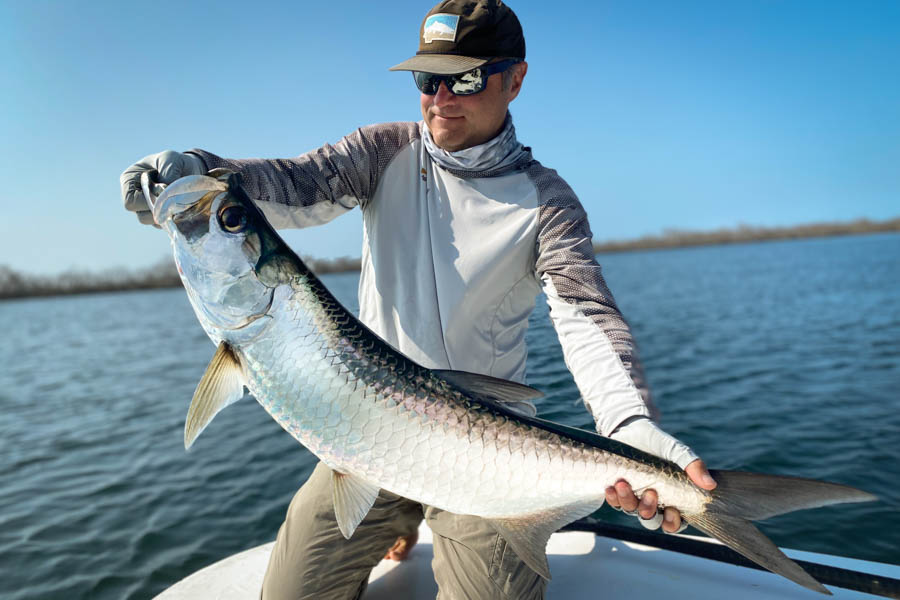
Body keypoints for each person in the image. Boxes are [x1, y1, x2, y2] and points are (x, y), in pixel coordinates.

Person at [121, 1, 716, 598]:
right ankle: (397, 515)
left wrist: (629, 425)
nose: (440, 99)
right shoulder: (383, 153)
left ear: (515, 79)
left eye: (464, 78)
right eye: (427, 80)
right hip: (360, 431)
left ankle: (424, 518)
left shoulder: (547, 203)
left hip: (486, 449)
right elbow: (291, 186)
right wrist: (199, 173)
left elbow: (585, 318)